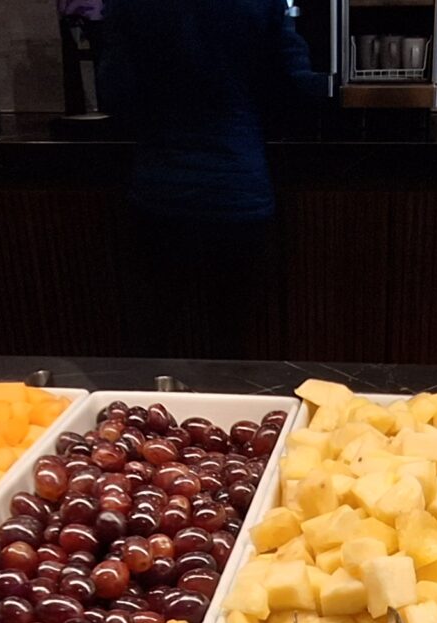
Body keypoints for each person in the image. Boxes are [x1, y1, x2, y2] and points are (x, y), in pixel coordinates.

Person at [98, 0, 326, 359]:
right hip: (237, 186)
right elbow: (294, 88)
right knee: (232, 339)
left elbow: (115, 92)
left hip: (160, 188)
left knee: (154, 339)